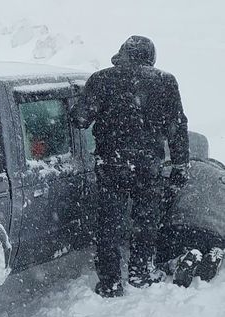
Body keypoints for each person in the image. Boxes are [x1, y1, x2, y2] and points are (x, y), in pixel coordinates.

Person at [71, 35, 189, 298]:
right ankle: (140, 273)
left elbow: (80, 119)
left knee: (109, 223)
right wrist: (181, 164)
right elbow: (177, 127)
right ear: (150, 56)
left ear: (123, 53)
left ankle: (111, 282)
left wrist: (80, 105)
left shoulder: (101, 79)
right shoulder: (165, 81)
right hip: (148, 166)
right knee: (146, 221)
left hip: (111, 163)